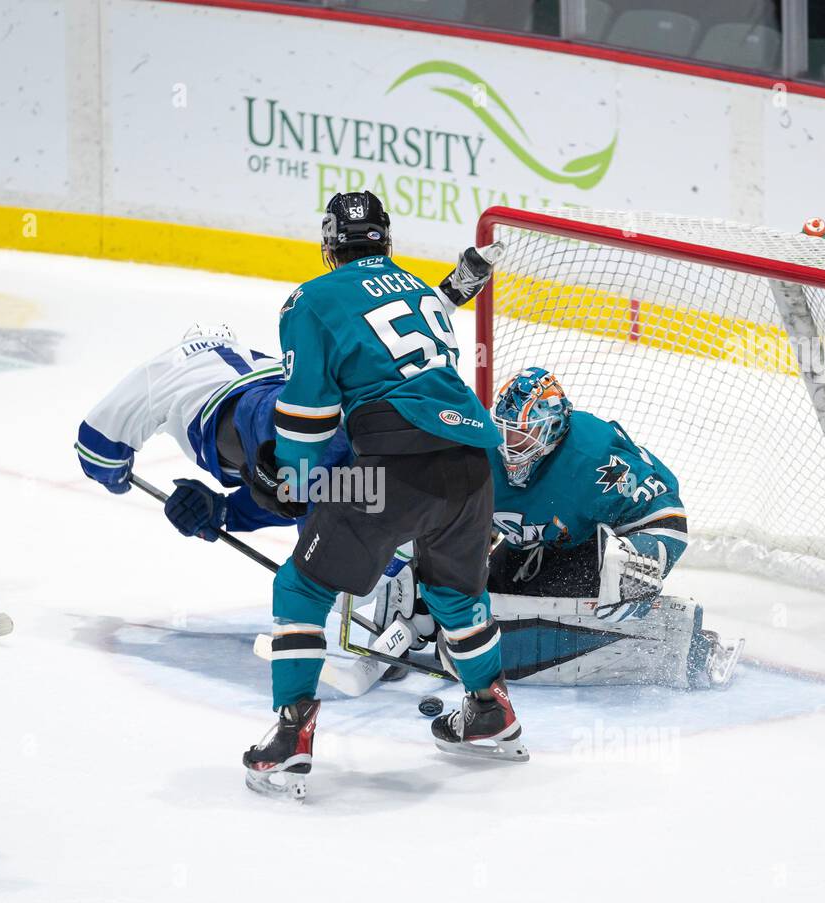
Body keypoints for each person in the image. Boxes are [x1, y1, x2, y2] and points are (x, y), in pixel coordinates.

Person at [241, 190, 528, 800]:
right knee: (455, 593)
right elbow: (415, 325)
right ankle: (490, 710)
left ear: (329, 244)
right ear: (386, 242)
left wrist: (291, 478)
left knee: (300, 587)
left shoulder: (310, 300)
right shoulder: (422, 291)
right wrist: (458, 283)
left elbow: (308, 412)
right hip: (473, 464)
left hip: (390, 473)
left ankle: (292, 735)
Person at [377, 367, 743, 688]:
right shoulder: (482, 448)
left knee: (529, 616)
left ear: (552, 430)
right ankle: (413, 620)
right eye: (504, 430)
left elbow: (668, 518)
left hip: (586, 552)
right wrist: (431, 567)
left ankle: (682, 645)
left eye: (523, 434)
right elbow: (466, 518)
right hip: (535, 547)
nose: (508, 444)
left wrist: (641, 561)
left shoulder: (595, 458)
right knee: (473, 597)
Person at [75, 324, 351, 539]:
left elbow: (98, 448)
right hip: (309, 404)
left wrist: (117, 479)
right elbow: (285, 494)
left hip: (252, 414)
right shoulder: (259, 357)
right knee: (348, 485)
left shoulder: (168, 364)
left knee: (319, 528)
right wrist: (226, 511)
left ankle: (349, 575)